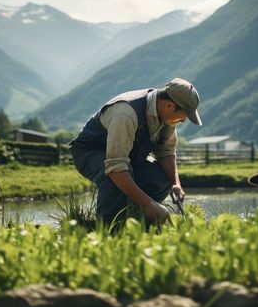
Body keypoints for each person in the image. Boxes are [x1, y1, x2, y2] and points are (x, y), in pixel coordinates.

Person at [69, 78, 202, 224]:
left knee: (161, 178)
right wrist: (148, 203)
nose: (182, 121)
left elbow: (166, 151)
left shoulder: (167, 115)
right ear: (169, 105)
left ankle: (140, 219)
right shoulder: (126, 113)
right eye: (182, 117)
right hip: (90, 152)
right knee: (114, 178)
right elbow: (115, 166)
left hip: (128, 155)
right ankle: (109, 227)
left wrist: (175, 183)